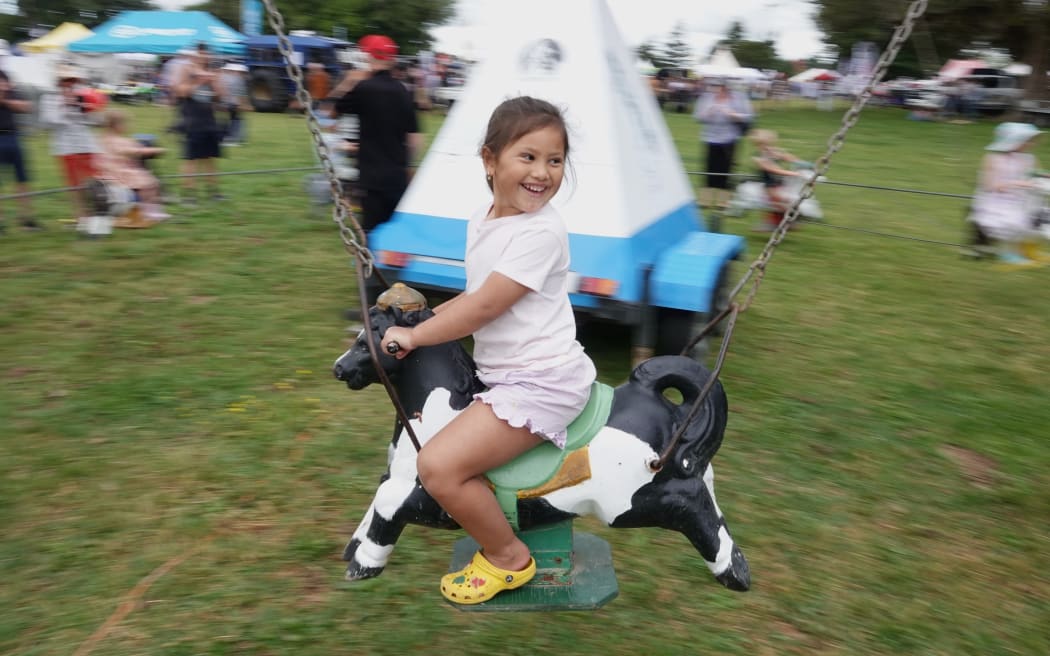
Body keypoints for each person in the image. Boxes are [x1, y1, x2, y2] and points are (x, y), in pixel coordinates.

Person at [378, 96, 596, 605]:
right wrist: (426, 320)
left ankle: (508, 557)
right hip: (509, 373)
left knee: (437, 467)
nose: (543, 173)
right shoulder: (484, 219)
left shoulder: (540, 232)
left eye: (555, 160)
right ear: (489, 159)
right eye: (529, 156)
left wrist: (414, 335)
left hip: (543, 383)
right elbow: (475, 295)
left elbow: (482, 310)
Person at [329, 34, 421, 310]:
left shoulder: (364, 88)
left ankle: (371, 304)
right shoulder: (404, 90)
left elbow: (333, 110)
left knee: (370, 239)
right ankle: (401, 299)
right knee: (395, 240)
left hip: (371, 176)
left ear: (369, 57)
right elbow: (415, 138)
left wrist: (352, 79)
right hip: (396, 176)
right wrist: (407, 167)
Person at [969, 122, 1046, 265]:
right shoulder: (992, 159)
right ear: (1014, 141)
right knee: (1015, 219)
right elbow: (989, 185)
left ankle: (1028, 250)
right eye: (1028, 140)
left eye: (1032, 140)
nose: (1031, 144)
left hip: (1021, 198)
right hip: (996, 200)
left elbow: (1038, 175)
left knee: (1041, 217)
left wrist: (1043, 177)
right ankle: (1007, 253)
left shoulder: (1029, 158)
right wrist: (1017, 184)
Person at [39, 65, 101, 223]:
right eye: (67, 80)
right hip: (66, 146)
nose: (70, 84)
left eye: (73, 81)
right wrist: (64, 106)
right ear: (59, 82)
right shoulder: (50, 98)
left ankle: (95, 212)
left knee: (93, 180)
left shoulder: (82, 96)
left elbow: (95, 121)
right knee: (74, 183)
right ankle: (80, 214)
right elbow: (48, 122)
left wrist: (87, 108)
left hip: (87, 144)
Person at [173, 42, 226, 204]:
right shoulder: (185, 70)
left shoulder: (211, 71)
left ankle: (214, 193)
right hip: (191, 119)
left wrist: (214, 81)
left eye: (206, 54)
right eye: (201, 54)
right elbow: (180, 91)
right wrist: (198, 82)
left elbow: (221, 95)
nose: (204, 57)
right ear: (194, 55)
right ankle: (189, 196)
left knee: (210, 158)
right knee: (191, 159)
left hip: (209, 119)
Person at [96, 110, 170, 221]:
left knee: (143, 177)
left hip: (107, 172)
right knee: (149, 182)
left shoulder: (103, 138)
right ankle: (150, 211)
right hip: (118, 174)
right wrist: (155, 150)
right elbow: (133, 151)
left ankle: (143, 209)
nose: (127, 126)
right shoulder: (116, 140)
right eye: (125, 123)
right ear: (116, 125)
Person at [693, 78, 753, 210]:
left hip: (730, 138)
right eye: (715, 86)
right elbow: (697, 117)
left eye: (721, 86)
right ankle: (705, 200)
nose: (718, 89)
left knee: (726, 169)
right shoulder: (706, 98)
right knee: (709, 169)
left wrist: (733, 115)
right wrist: (709, 112)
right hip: (710, 138)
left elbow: (748, 116)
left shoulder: (739, 97)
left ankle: (723, 202)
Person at [0, 69, 38, 231]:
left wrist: (4, 100)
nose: (2, 85)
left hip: (14, 137)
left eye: (4, 82)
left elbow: (27, 107)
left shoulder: (13, 93)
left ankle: (26, 220)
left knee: (22, 180)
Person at [750, 129, 805, 232]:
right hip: (769, 184)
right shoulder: (758, 158)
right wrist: (794, 173)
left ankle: (784, 221)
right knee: (776, 202)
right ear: (758, 145)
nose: (768, 148)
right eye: (764, 145)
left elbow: (788, 157)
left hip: (779, 182)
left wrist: (800, 162)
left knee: (782, 201)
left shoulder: (774, 152)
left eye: (770, 145)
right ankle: (782, 221)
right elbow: (772, 169)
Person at [219, 62, 249, 146]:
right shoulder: (238, 79)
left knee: (226, 120)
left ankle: (225, 138)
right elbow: (241, 94)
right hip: (231, 103)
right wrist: (243, 104)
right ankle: (233, 138)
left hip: (224, 103)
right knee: (235, 120)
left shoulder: (223, 76)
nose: (243, 74)